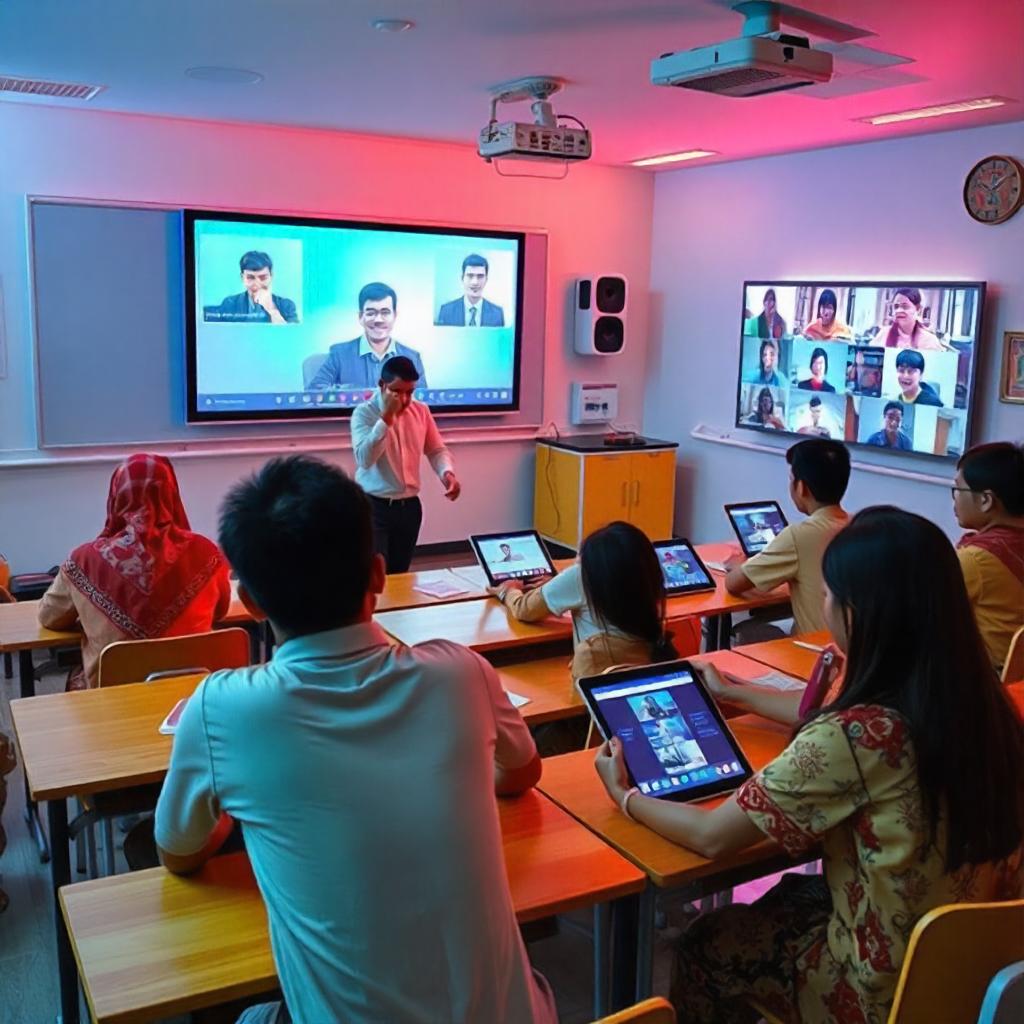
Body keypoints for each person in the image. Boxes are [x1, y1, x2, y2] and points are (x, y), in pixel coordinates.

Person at [154, 456, 555, 1024]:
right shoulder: (462, 674)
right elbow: (522, 773)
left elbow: (178, 851)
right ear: (377, 574)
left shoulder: (221, 710)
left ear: (251, 603)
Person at [595, 506, 1024, 1024]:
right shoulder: (991, 706)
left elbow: (711, 835)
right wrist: (738, 692)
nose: (822, 604)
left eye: (825, 595)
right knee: (793, 893)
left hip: (878, 991)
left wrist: (625, 795)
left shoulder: (859, 735)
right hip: (971, 972)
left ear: (859, 612)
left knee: (705, 946)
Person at [38, 454, 231, 690]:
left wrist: (95, 619)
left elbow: (49, 617)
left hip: (111, 700)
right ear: (171, 495)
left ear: (116, 498)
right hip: (189, 696)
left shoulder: (83, 561)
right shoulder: (207, 554)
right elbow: (220, 611)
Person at [488, 520, 697, 681]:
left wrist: (509, 591)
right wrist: (557, 583)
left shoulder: (582, 576)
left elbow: (525, 610)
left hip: (593, 678)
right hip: (640, 671)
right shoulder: (645, 573)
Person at [725, 439, 850, 634]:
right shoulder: (858, 526)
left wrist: (736, 565)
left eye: (791, 479)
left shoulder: (799, 535)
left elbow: (733, 584)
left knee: (747, 630)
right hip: (849, 651)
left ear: (802, 488)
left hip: (814, 652)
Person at [350, 356, 460, 573]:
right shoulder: (364, 413)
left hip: (409, 507)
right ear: (382, 385)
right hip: (374, 506)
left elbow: (436, 449)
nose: (405, 399)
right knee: (377, 574)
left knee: (400, 575)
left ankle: (400, 609)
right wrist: (386, 420)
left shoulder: (420, 410)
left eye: (410, 392)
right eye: (397, 392)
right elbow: (364, 459)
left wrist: (447, 473)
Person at [952, 442, 1024, 671]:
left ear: (986, 500)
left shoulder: (976, 560)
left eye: (957, 490)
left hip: (983, 680)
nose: (954, 499)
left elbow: (920, 608)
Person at [308, 283, 427, 391]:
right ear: (361, 317)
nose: (378, 320)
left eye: (385, 312)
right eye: (371, 313)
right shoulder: (340, 354)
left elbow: (423, 402)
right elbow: (314, 392)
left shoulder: (412, 358)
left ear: (394, 316)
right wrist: (351, 393)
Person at [206, 251, 299, 324]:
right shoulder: (230, 303)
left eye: (263, 278)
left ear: (271, 276)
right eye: (250, 278)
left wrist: (272, 309)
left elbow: (292, 338)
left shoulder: (287, 306)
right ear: (242, 278)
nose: (257, 284)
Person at [435, 254, 506, 327]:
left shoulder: (497, 313)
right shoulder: (446, 311)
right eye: (470, 276)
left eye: (480, 276)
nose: (475, 282)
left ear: (486, 280)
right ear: (462, 278)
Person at [875, 287, 946, 350]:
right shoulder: (884, 334)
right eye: (896, 306)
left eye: (905, 307)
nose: (898, 311)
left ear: (918, 309)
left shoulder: (929, 340)